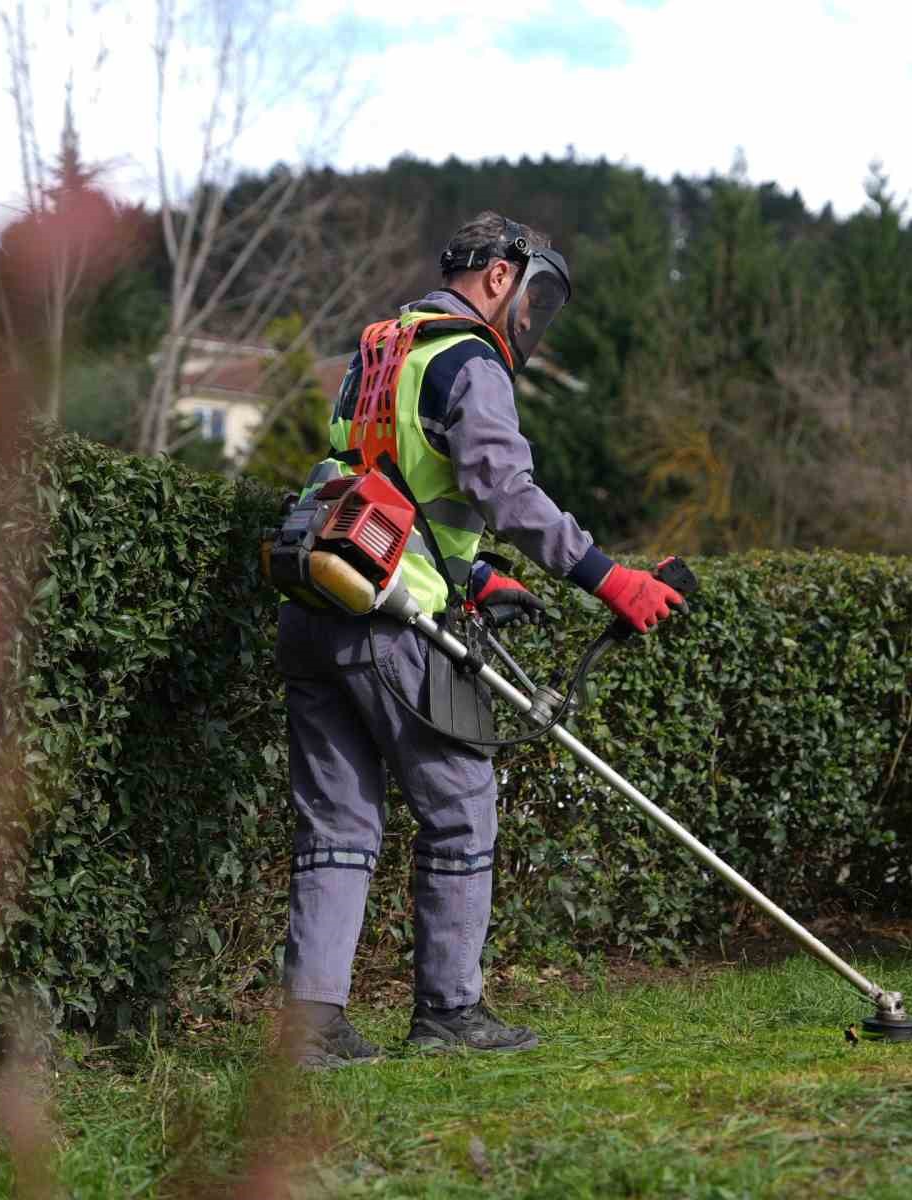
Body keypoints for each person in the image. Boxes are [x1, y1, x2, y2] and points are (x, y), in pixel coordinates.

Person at [276, 212, 686, 1068]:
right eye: (531, 295)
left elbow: (384, 479)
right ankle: (449, 1013)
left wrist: (470, 573)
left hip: (321, 601)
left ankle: (310, 1030)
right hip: (391, 621)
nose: (530, 317)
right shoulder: (468, 359)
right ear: (500, 277)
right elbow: (507, 492)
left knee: (340, 824)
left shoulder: (382, 351)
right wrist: (610, 577)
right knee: (462, 812)